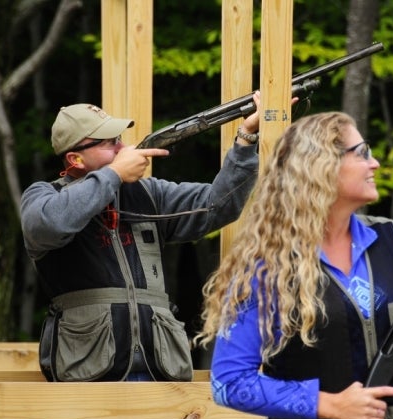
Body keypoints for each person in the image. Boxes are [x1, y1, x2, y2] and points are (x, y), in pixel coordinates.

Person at [196, 111, 393, 419]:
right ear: (320, 166)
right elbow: (228, 383)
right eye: (362, 153)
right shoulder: (267, 266)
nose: (374, 164)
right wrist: (329, 405)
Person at [20, 97, 261, 382]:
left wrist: (246, 139)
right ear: (76, 159)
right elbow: (50, 223)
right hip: (86, 373)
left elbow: (217, 206)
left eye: (119, 139)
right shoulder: (44, 197)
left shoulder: (148, 193)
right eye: (109, 143)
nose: (123, 148)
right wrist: (114, 174)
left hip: (159, 368)